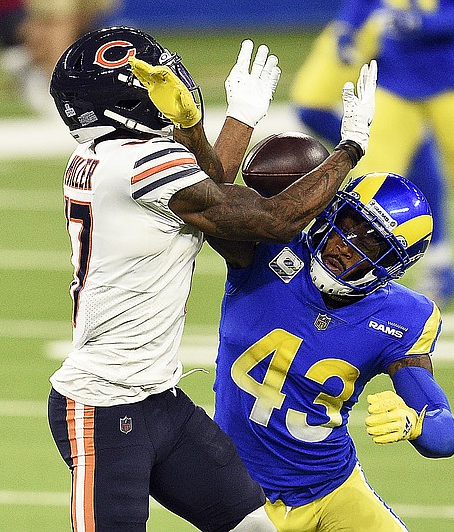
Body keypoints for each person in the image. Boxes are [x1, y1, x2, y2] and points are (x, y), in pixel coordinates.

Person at [45, 26, 378, 531]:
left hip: (162, 402)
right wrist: (350, 146)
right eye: (146, 82)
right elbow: (273, 220)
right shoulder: (142, 164)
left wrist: (227, 120)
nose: (165, 85)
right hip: (104, 408)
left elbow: (209, 184)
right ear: (121, 101)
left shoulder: (109, 158)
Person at [208, 169, 454, 531]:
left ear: (388, 262)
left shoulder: (401, 317)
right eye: (348, 223)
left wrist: (414, 424)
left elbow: (444, 435)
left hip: (334, 488)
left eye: (369, 243)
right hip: (246, 497)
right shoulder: (266, 253)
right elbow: (211, 201)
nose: (345, 242)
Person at [291, 0, 454, 305]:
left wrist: (426, 23)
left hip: (449, 81)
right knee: (369, 191)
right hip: (394, 81)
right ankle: (360, 279)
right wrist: (350, 26)